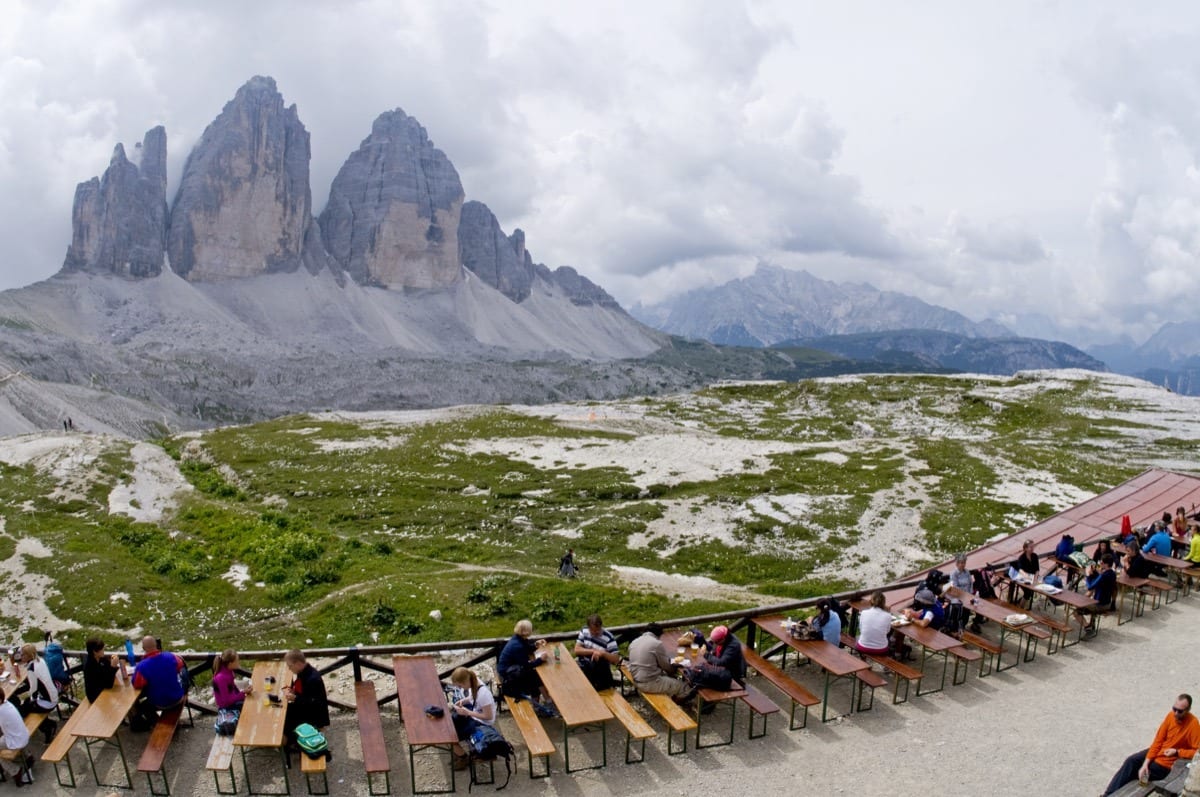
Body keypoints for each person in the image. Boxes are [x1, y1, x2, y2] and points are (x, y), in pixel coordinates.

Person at [1103, 693, 1200, 794]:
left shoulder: (1193, 724)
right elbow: (1158, 741)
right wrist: (1146, 763)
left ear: (1188, 710)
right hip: (1158, 752)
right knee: (1131, 761)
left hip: (1167, 764)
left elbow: (1197, 753)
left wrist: (1177, 752)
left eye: (1180, 711)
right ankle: (1107, 794)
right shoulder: (1170, 716)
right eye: (1174, 709)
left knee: (1136, 774)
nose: (1175, 713)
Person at [132, 636, 187, 724]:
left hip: (161, 703)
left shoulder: (142, 666)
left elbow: (137, 684)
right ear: (156, 645)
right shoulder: (171, 656)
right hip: (178, 698)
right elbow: (180, 667)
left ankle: (157, 723)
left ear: (143, 648)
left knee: (142, 707)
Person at [627, 622, 689, 699]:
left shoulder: (634, 642)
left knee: (670, 678)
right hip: (648, 683)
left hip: (636, 679)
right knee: (684, 687)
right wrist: (675, 668)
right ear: (659, 635)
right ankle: (677, 705)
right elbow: (666, 667)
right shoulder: (656, 644)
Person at [497, 619, 551, 707]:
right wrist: (540, 660)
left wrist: (535, 645)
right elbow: (526, 666)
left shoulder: (518, 638)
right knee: (535, 679)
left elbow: (526, 649)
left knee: (535, 677)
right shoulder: (517, 646)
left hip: (508, 668)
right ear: (526, 631)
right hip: (508, 675)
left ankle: (546, 699)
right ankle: (542, 703)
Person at [282, 649, 329, 746]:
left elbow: (314, 704)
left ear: (298, 663)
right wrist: (294, 691)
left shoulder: (312, 679)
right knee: (283, 711)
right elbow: (303, 690)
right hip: (306, 708)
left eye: (290, 666)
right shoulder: (303, 672)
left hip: (314, 715)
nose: (289, 669)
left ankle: (289, 743)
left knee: (285, 719)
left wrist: (295, 698)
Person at [16, 643, 58, 743]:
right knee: (27, 705)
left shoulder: (32, 669)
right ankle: (47, 725)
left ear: (29, 655)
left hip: (48, 702)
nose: (20, 657)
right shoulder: (40, 660)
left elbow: (33, 690)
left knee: (24, 709)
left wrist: (20, 697)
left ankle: (48, 727)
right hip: (53, 695)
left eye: (23, 655)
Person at [573, 614, 621, 691]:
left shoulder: (609, 637)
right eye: (593, 631)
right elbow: (577, 650)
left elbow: (616, 659)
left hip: (601, 671)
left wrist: (603, 653)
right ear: (588, 627)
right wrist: (594, 651)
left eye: (598, 630)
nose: (596, 632)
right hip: (585, 666)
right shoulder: (584, 631)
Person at [1074, 554, 1117, 638]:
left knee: (1076, 611)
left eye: (1101, 562)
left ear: (1105, 564)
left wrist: (1088, 576)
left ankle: (1088, 628)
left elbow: (1090, 586)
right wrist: (1098, 573)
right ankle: (1091, 624)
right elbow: (1100, 581)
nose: (1100, 564)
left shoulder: (1103, 576)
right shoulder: (1112, 574)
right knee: (1087, 601)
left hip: (1099, 604)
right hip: (1107, 602)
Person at [0, 691, 32, 786]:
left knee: (1, 755)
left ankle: (15, 771)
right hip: (23, 734)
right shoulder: (7, 704)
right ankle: (28, 756)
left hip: (16, 740)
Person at [83, 637, 120, 703]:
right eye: (102, 650)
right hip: (96, 697)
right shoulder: (90, 666)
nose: (103, 651)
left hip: (104, 690)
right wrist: (113, 667)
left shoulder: (102, 659)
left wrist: (114, 665)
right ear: (95, 651)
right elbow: (108, 684)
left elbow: (109, 672)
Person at [855, 591, 893, 656]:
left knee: (858, 638)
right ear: (884, 603)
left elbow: (861, 629)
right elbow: (887, 631)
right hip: (881, 649)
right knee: (889, 640)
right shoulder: (888, 616)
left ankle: (863, 659)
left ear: (871, 601)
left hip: (863, 647)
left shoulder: (864, 613)